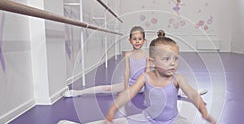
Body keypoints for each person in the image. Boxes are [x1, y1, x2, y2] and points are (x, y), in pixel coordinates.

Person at [57, 30, 244, 124]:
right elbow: (129, 93)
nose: (172, 63)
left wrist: (205, 114)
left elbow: (192, 94)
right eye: (167, 59)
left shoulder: (177, 78)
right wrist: (113, 109)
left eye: (175, 58)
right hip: (148, 121)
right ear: (152, 62)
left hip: (172, 123)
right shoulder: (146, 77)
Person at [63, 26, 208, 97]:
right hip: (132, 84)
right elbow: (126, 72)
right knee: (107, 88)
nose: (137, 41)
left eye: (140, 39)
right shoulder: (128, 55)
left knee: (171, 90)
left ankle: (194, 92)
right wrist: (127, 88)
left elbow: (148, 72)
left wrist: (148, 86)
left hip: (145, 83)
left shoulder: (147, 55)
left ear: (144, 41)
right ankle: (77, 92)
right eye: (134, 39)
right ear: (130, 40)